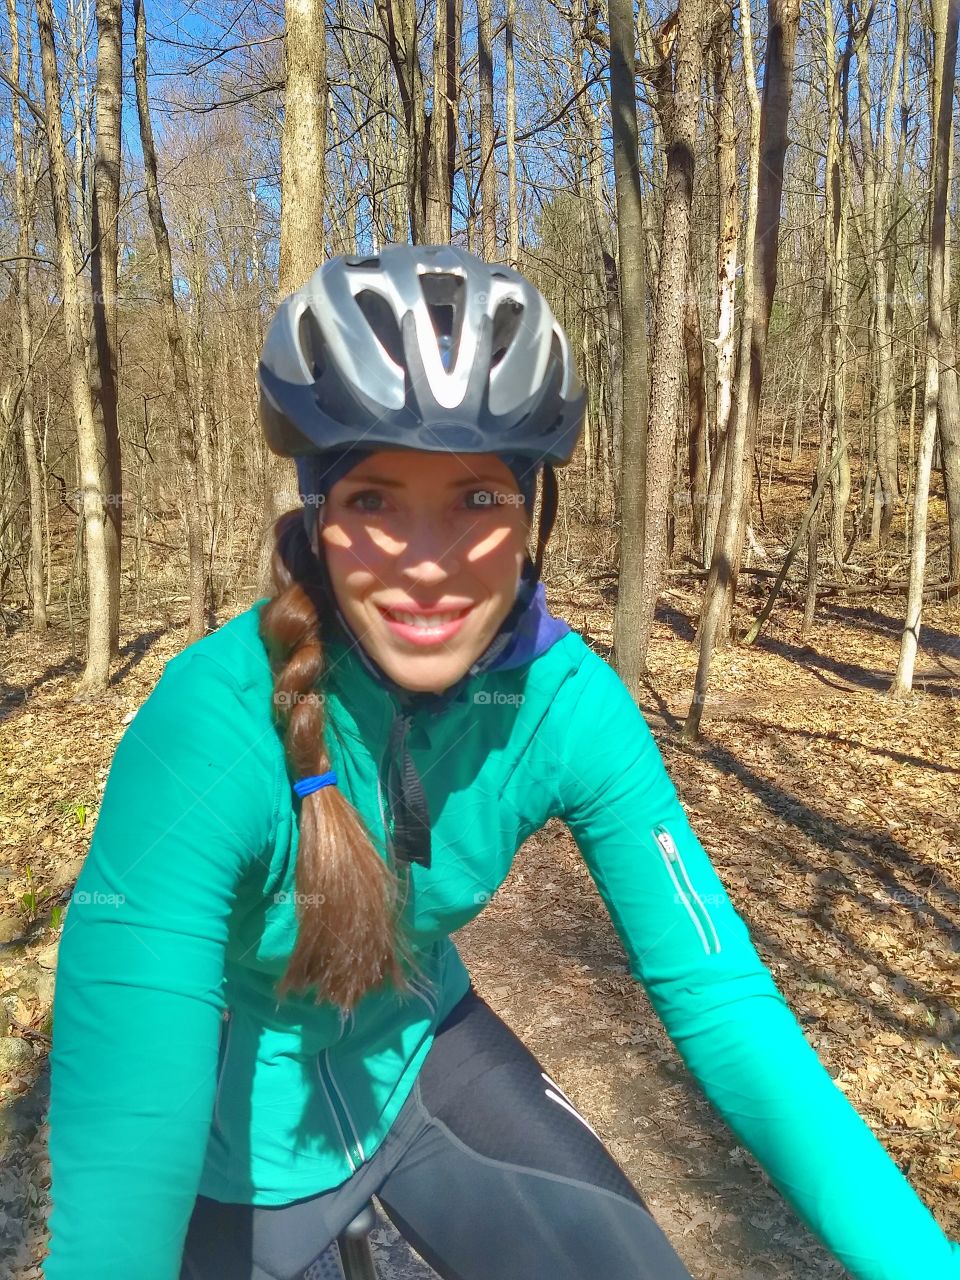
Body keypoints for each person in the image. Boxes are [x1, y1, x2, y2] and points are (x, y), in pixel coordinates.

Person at [45, 245, 958, 1280]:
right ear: (318, 518)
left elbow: (726, 1003)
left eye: (476, 499)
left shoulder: (567, 706)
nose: (427, 564)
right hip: (230, 1129)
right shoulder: (212, 727)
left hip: (430, 1049)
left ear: (532, 514)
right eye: (375, 500)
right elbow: (122, 1138)